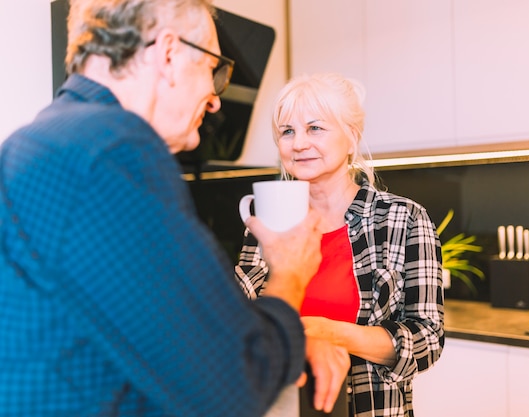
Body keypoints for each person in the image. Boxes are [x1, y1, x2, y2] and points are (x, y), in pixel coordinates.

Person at [0, 1, 349, 416]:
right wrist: (291, 272)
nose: (216, 99)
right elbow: (231, 386)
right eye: (213, 69)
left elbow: (155, 340)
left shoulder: (39, 141)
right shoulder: (115, 149)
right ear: (168, 53)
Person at [235, 72, 445, 417]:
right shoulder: (266, 219)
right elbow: (238, 319)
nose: (298, 143)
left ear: (351, 137)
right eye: (287, 131)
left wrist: (323, 330)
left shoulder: (403, 220)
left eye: (315, 128)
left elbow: (427, 340)